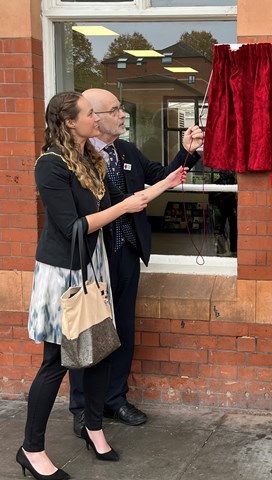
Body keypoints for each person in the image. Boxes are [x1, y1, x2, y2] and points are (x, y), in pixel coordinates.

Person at [18, 92, 187, 480]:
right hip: (63, 274)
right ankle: (31, 448)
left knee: (99, 353)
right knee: (55, 363)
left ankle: (94, 427)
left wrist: (166, 182)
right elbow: (73, 227)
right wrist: (123, 208)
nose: (97, 119)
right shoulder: (51, 165)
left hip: (94, 268)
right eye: (90, 113)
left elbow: (127, 199)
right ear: (69, 122)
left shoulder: (91, 159)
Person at [69, 89, 204, 435]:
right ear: (94, 118)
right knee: (88, 331)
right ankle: (83, 408)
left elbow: (161, 176)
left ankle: (115, 399)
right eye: (115, 110)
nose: (123, 115)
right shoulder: (77, 158)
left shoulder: (125, 151)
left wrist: (188, 152)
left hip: (125, 252)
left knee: (122, 331)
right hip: (91, 259)